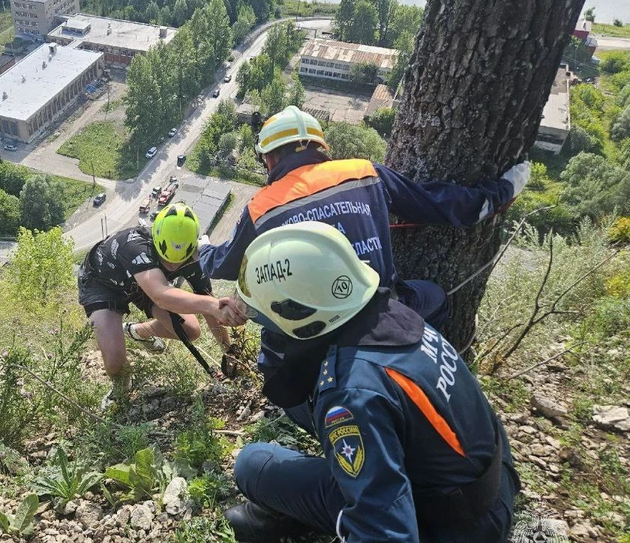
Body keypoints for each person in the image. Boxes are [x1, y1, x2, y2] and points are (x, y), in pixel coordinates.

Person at [225, 222, 520, 543]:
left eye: (265, 315)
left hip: (452, 531)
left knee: (253, 463)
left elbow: (388, 542)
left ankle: (304, 515)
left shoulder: (349, 393)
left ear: (299, 312)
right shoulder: (392, 314)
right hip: (493, 485)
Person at [198, 106, 530, 418]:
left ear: (269, 158)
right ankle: (423, 366)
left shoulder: (261, 207)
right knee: (435, 297)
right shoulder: (365, 173)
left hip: (313, 341)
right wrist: (503, 190)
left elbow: (223, 264)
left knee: (274, 355)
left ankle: (314, 415)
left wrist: (203, 248)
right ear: (320, 147)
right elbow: (441, 204)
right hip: (383, 318)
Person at [77, 202, 243, 406]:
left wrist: (228, 351)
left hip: (147, 283)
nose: (173, 265)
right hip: (104, 283)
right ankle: (120, 389)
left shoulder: (194, 257)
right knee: (115, 363)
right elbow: (161, 296)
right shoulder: (134, 245)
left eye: (179, 261)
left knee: (190, 331)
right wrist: (212, 305)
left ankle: (136, 331)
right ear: (156, 240)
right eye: (166, 259)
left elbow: (209, 307)